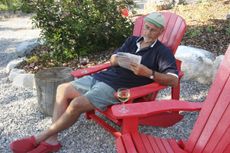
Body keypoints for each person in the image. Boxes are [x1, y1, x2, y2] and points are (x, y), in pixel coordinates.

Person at [10, 12, 179, 153]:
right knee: (62, 89)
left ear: (161, 32)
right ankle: (53, 141)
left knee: (76, 104)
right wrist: (115, 59)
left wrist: (148, 73)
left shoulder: (162, 52)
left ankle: (39, 138)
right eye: (147, 27)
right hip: (103, 77)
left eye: (153, 30)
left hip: (116, 88)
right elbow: (113, 58)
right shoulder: (131, 40)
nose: (148, 32)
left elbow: (173, 79)